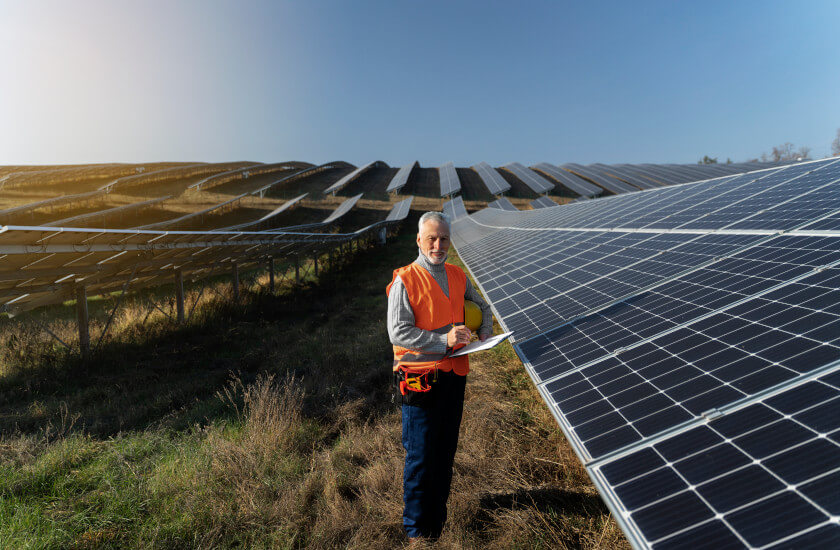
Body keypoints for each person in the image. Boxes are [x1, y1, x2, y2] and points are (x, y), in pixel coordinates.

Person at [386, 211, 492, 541]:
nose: (438, 244)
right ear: (419, 240)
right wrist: (441, 341)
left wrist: (486, 329)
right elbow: (397, 331)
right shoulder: (406, 279)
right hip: (420, 380)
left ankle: (437, 523)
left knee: (445, 452)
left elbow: (482, 306)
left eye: (444, 238)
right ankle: (417, 532)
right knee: (421, 456)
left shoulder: (458, 275)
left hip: (453, 376)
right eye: (431, 237)